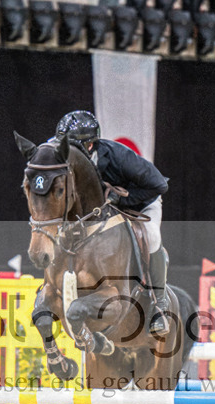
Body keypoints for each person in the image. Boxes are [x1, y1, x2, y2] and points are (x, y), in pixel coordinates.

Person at [55, 110, 171, 334]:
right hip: (107, 208)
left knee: (152, 236)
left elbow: (158, 185)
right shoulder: (71, 163)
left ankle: (160, 303)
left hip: (142, 202)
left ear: (89, 146)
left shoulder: (119, 156)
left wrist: (122, 198)